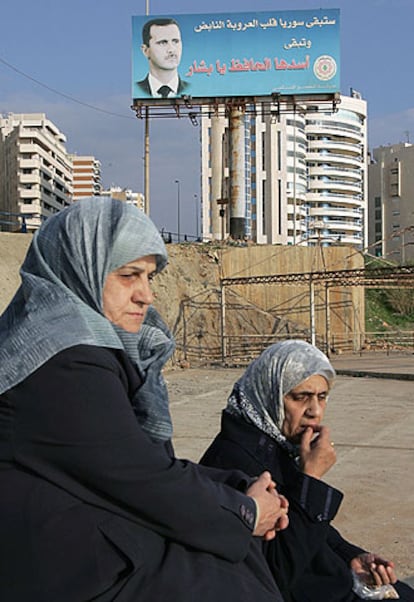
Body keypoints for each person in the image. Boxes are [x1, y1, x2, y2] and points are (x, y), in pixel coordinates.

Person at [0, 197, 289, 601]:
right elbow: (140, 478)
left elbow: (134, 462)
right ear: (80, 267)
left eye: (149, 276)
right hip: (70, 565)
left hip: (93, 533)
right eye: (128, 276)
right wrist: (246, 512)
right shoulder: (63, 359)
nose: (146, 295)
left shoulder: (73, 341)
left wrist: (237, 488)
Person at [200, 340, 414, 602]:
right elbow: (276, 572)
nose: (314, 411)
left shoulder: (275, 443)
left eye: (321, 397)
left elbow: (311, 526)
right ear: (269, 393)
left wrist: (351, 557)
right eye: (300, 397)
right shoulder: (233, 464)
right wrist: (311, 478)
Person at [136, 17, 189, 98]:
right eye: (163, 43)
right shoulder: (137, 89)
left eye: (175, 41)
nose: (171, 49)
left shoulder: (192, 89)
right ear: (146, 50)